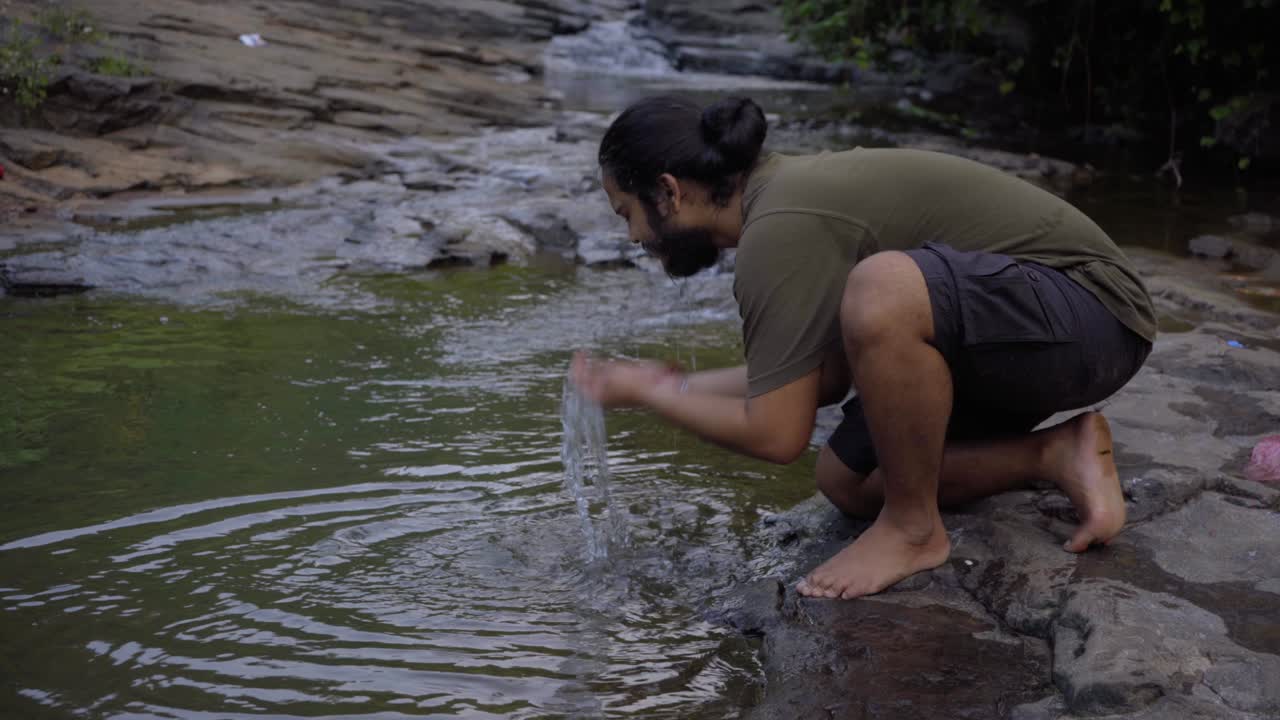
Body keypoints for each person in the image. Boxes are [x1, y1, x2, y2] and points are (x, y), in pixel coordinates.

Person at [572, 96, 1155, 600]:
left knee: (883, 289)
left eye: (628, 213)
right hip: (1031, 336)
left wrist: (656, 396)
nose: (634, 237)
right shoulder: (779, 209)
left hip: (1093, 314)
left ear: (669, 193)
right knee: (848, 481)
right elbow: (816, 381)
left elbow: (776, 434)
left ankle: (914, 531)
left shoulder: (781, 224)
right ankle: (1057, 452)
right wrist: (660, 386)